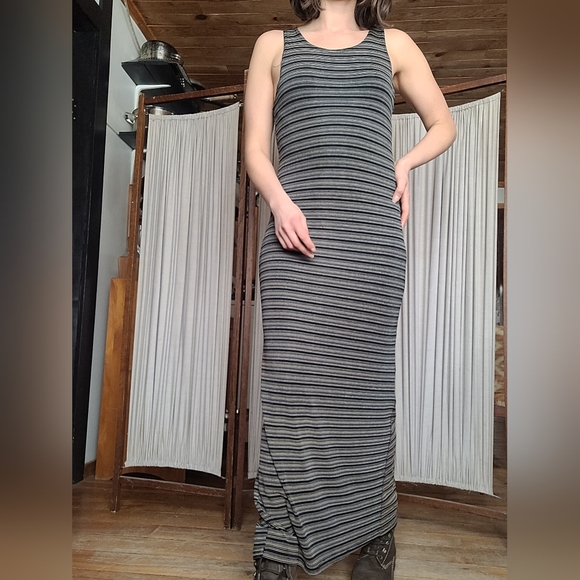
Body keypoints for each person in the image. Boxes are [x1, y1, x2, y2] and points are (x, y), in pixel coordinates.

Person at [244, 1, 456, 579]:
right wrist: (279, 201)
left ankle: (377, 535)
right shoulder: (273, 46)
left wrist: (404, 164)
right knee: (290, 394)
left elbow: (445, 124)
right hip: (294, 240)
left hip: (370, 245)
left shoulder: (395, 45)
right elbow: (255, 149)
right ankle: (277, 550)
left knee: (364, 395)